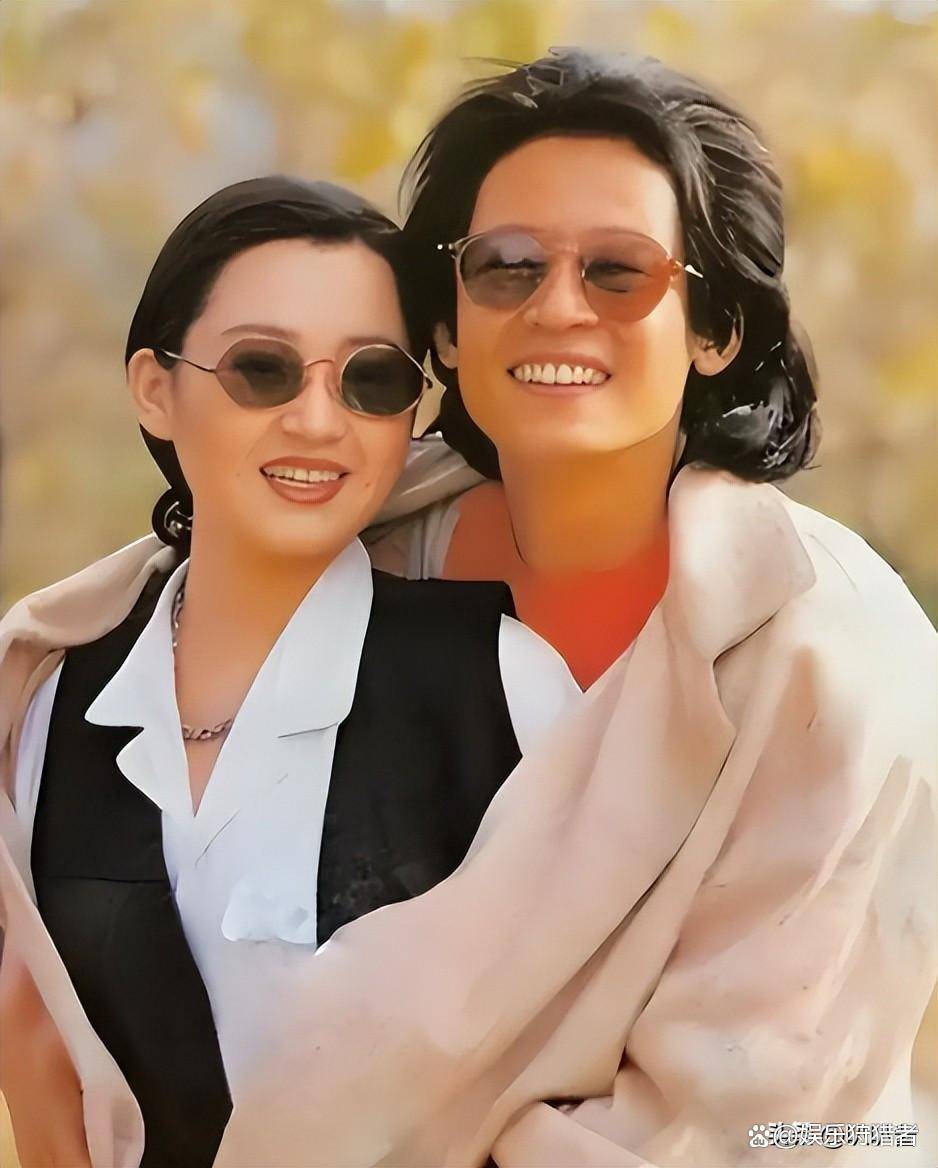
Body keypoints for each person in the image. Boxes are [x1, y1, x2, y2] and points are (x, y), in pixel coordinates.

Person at [206, 51, 934, 1167]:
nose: (555, 307)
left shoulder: (828, 655)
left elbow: (754, 1119)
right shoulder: (347, 557)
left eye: (618, 271)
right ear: (448, 326)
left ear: (714, 329)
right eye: (504, 267)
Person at [0, 176, 577, 1167]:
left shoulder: (499, 689)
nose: (318, 420)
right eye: (261, 368)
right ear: (154, 388)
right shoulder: (54, 706)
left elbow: (590, 1063)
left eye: (372, 379)